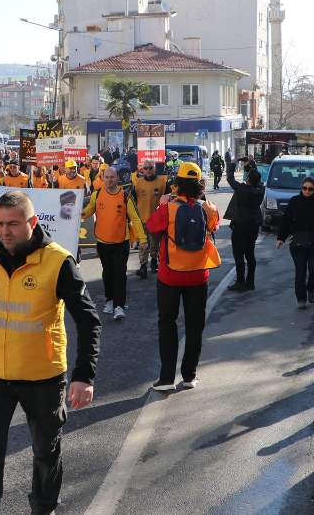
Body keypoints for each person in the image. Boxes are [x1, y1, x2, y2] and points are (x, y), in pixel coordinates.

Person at [0, 190, 101, 515]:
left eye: (14, 224)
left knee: (46, 454)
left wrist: (83, 376)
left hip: (43, 377)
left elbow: (88, 320)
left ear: (32, 222)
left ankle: (43, 509)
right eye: (0, 223)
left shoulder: (58, 261)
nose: (5, 231)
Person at [146, 163, 221, 391]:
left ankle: (166, 379)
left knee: (167, 323)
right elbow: (215, 226)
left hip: (171, 275)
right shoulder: (209, 208)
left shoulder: (168, 208)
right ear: (200, 184)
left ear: (176, 183)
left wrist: (163, 205)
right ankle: (189, 376)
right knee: (195, 325)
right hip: (199, 275)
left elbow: (151, 226)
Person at [82, 167, 148, 320]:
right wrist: (81, 214)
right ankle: (109, 301)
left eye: (112, 177)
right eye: (107, 177)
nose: (110, 180)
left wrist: (143, 239)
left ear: (118, 177)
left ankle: (119, 306)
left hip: (121, 243)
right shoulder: (97, 194)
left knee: (119, 274)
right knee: (107, 273)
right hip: (103, 242)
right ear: (103, 178)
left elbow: (136, 219)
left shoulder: (125, 197)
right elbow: (91, 209)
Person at [224, 158, 265, 292]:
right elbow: (255, 177)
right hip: (253, 225)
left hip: (241, 225)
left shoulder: (243, 190)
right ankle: (250, 281)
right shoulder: (260, 189)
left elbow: (230, 178)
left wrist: (232, 164)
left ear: (247, 180)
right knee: (250, 254)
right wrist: (249, 166)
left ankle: (240, 281)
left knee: (238, 254)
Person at [276, 176, 314, 309]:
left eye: (310, 189)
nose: (307, 191)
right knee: (300, 270)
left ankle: (311, 288)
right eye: (304, 188)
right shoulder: (295, 201)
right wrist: (281, 238)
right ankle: (301, 299)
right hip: (298, 242)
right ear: (301, 188)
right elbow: (286, 220)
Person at [131, 158, 172, 278]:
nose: (147, 170)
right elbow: (132, 201)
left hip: (157, 219)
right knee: (143, 243)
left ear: (155, 169)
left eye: (150, 168)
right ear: (142, 169)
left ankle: (154, 260)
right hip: (141, 218)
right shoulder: (137, 183)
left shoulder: (162, 182)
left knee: (155, 243)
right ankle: (143, 266)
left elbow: (170, 198)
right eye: (145, 168)